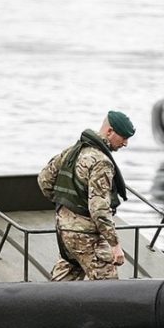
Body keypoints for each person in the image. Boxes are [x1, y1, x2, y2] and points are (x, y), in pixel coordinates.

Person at [38, 111, 134, 282]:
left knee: (63, 283)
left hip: (64, 230)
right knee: (108, 287)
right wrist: (115, 244)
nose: (125, 143)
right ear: (110, 131)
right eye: (124, 137)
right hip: (87, 235)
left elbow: (44, 180)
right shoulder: (101, 162)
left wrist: (66, 206)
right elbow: (99, 208)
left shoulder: (73, 151)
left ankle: (46, 307)